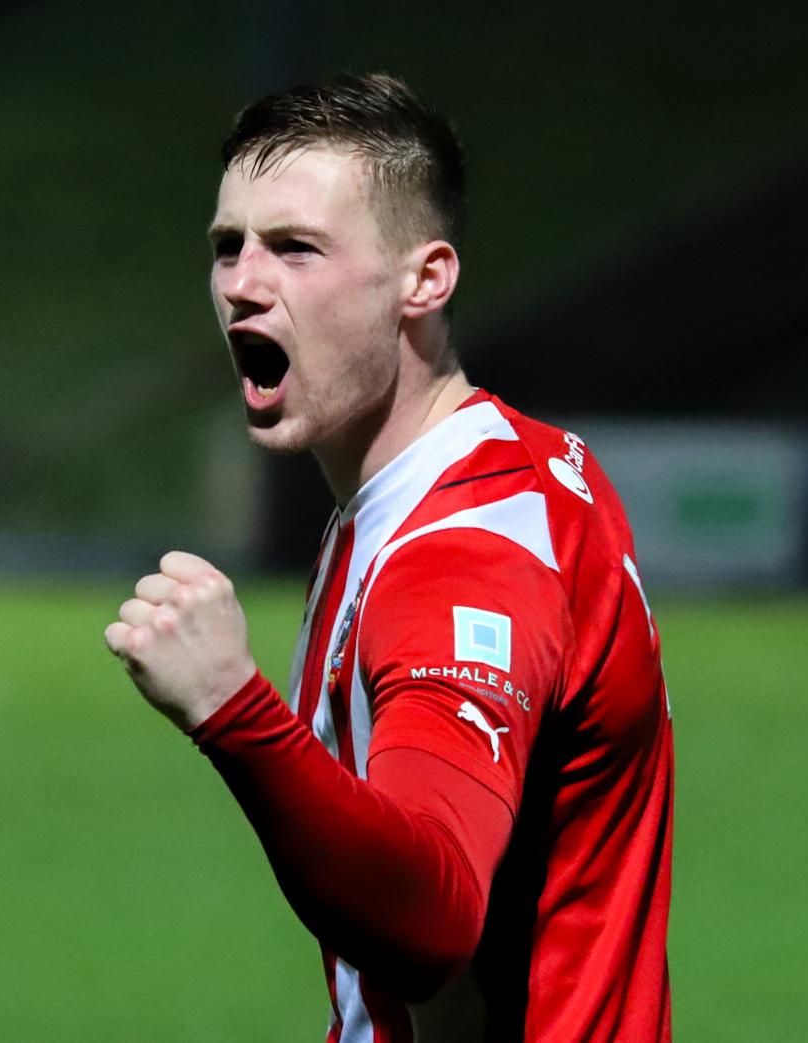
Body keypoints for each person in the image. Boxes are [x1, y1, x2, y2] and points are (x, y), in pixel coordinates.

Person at [104, 73, 673, 1043]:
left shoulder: (463, 556)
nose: (243, 281)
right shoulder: (517, 468)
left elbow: (432, 918)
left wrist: (232, 709)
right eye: (228, 245)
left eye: (296, 248)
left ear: (426, 278)